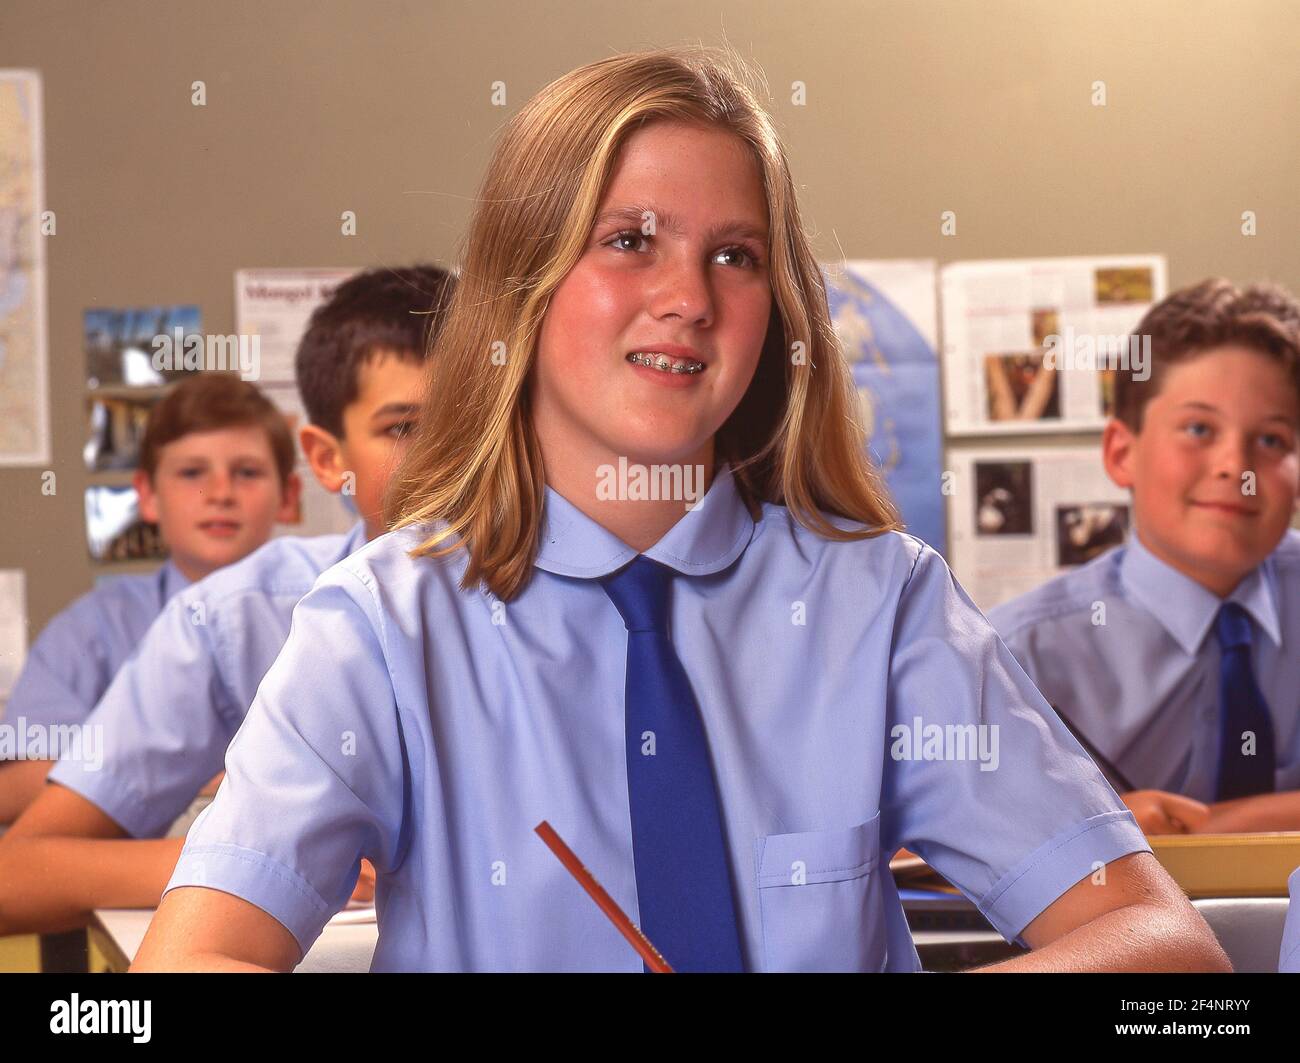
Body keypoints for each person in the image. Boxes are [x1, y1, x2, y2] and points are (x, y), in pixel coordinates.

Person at [135, 47, 1226, 973]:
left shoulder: (878, 603)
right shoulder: (384, 623)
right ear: (524, 284)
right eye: (628, 241)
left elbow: (1164, 943)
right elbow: (188, 960)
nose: (689, 298)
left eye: (734, 257)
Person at [0, 266, 456, 936]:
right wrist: (247, 857)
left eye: (480, 416)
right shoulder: (227, 619)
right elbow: (17, 873)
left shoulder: (601, 601)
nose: (455, 453)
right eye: (405, 426)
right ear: (326, 460)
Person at [991, 279, 1300, 835]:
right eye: (1198, 429)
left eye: (1273, 440)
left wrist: (1217, 826)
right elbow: (915, 853)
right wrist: (1075, 831)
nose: (1237, 466)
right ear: (1121, 454)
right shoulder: (1017, 659)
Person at [0, 373, 299, 822]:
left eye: (247, 473)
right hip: (137, 882)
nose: (219, 493)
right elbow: (15, 783)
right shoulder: (94, 630)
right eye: (192, 472)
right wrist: (178, 778)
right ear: (147, 496)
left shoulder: (323, 617)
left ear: (288, 497)